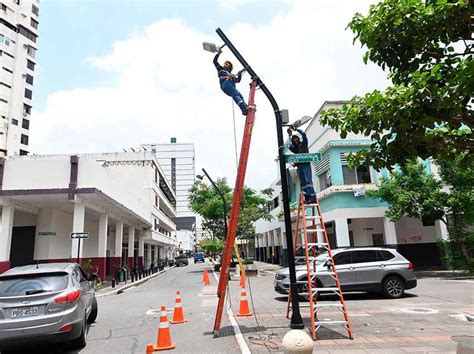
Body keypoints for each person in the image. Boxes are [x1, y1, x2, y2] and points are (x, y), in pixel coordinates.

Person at [213, 51, 249, 115]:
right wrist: (218, 53)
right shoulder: (220, 69)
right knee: (235, 94)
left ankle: (244, 108)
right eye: (225, 63)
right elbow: (215, 61)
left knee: (239, 95)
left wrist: (239, 74)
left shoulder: (232, 75)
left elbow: (238, 80)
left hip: (229, 84)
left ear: (230, 67)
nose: (226, 64)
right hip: (225, 83)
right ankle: (243, 107)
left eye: (227, 64)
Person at [288, 127, 317, 204]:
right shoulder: (296, 149)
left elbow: (303, 134)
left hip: (306, 165)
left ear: (298, 139)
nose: (295, 140)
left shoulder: (303, 144)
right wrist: (289, 135)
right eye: (293, 139)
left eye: (296, 138)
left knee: (308, 181)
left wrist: (296, 129)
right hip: (299, 167)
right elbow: (289, 146)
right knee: (303, 183)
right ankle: (307, 198)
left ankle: (312, 197)